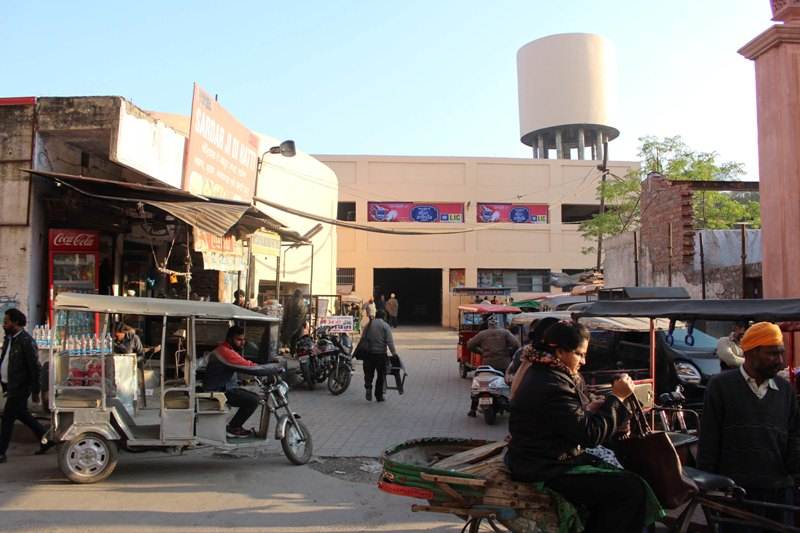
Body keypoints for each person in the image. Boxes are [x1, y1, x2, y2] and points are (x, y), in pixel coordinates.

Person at [506, 321, 654, 533]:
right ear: (559, 351)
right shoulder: (552, 383)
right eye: (579, 354)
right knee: (631, 489)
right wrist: (618, 398)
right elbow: (589, 435)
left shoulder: (548, 373)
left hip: (542, 458)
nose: (584, 361)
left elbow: (565, 418)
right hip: (545, 467)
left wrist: (590, 409)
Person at [698, 322, 800, 530]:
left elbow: (794, 439)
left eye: (781, 354)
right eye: (772, 354)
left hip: (779, 495)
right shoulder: (721, 387)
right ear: (752, 354)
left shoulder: (785, 391)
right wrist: (706, 486)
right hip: (737, 494)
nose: (780, 361)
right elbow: (709, 441)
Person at [0, 309, 52, 464]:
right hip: (10, 385)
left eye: (7, 321)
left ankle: (1, 452)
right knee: (22, 414)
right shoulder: (10, 339)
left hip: (20, 386)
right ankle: (46, 438)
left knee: (7, 419)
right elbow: (5, 359)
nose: (4, 324)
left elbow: (34, 367)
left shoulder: (26, 341)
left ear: (16, 322)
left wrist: (36, 390)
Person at [203, 325, 260, 438]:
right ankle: (234, 427)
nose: (242, 343)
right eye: (239, 339)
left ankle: (234, 426)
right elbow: (248, 365)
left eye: (243, 340)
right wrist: (267, 369)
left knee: (250, 395)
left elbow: (241, 366)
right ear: (229, 339)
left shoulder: (226, 350)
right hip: (219, 390)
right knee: (253, 399)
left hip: (222, 387)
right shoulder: (225, 351)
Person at [466, 315, 520, 417]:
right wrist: (509, 352)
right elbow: (516, 344)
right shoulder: (505, 333)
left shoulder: (482, 334)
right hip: (504, 363)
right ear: (498, 324)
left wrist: (481, 352)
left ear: (488, 325)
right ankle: (511, 404)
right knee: (509, 384)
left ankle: (472, 409)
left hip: (487, 364)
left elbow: (470, 345)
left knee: (481, 385)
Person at [360, 310, 397, 402]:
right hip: (380, 354)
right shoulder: (385, 326)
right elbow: (390, 342)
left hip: (368, 354)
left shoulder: (368, 325)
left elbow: (362, 339)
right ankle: (378, 396)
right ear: (384, 317)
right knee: (381, 375)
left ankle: (368, 387)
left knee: (368, 373)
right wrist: (394, 353)